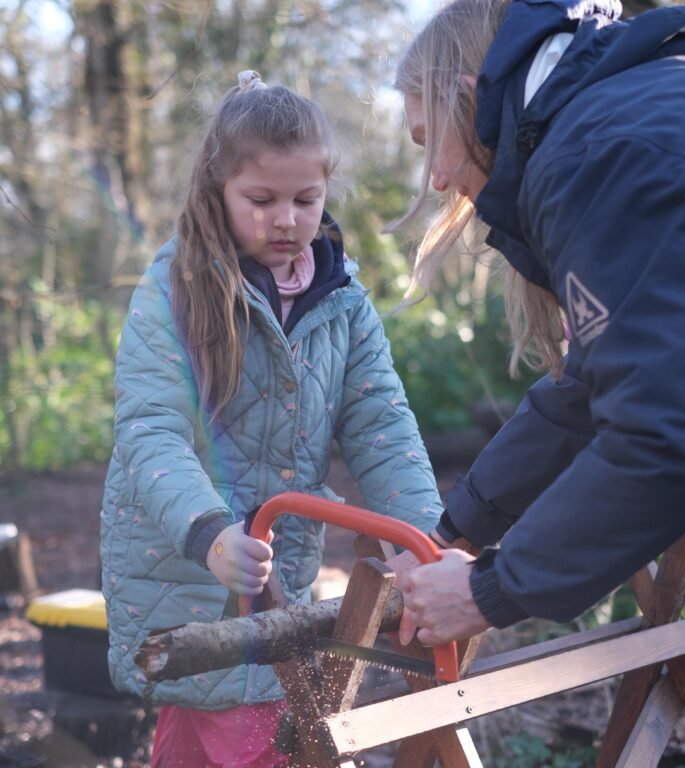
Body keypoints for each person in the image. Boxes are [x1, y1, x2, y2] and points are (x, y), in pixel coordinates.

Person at [387, 0, 685, 649]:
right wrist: (456, 528)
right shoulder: (627, 111)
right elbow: (597, 388)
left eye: (431, 142)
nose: (441, 177)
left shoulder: (598, 147)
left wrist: (488, 589)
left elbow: (668, 436)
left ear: (470, 95)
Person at [100, 70, 442, 768]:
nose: (286, 219)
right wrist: (208, 534)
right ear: (216, 191)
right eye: (261, 200)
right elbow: (150, 429)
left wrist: (424, 541)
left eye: (305, 199)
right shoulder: (175, 292)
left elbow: (383, 425)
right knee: (226, 726)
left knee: (256, 726)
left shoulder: (342, 304)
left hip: (279, 564)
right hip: (183, 561)